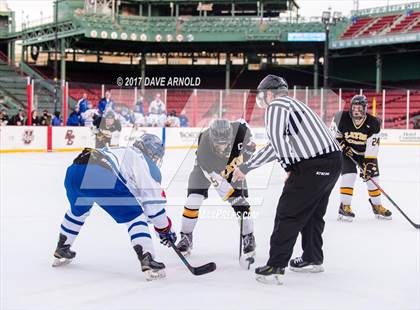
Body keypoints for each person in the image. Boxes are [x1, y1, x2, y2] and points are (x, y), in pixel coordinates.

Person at [232, 75, 342, 285]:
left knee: (288, 213)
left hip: (313, 165)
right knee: (311, 214)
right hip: (332, 162)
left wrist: (290, 167)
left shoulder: (276, 107)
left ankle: (276, 266)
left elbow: (277, 141)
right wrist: (247, 166)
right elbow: (276, 146)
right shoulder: (295, 105)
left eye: (263, 95)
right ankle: (312, 258)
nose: (262, 100)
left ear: (271, 94)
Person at [52, 134, 176, 280]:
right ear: (151, 152)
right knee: (135, 216)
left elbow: (137, 198)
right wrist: (165, 230)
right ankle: (147, 258)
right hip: (99, 173)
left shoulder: (125, 151)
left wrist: (157, 224)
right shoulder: (144, 162)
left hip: (75, 170)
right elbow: (153, 207)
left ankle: (62, 248)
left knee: (78, 211)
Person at [176, 118, 257, 263]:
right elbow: (216, 180)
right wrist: (232, 196)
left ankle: (248, 236)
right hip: (206, 170)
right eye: (218, 144)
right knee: (193, 200)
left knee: (242, 206)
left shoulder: (240, 130)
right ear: (211, 138)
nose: (221, 147)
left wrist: (248, 150)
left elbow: (249, 139)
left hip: (231, 167)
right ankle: (186, 236)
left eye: (224, 143)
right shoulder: (204, 147)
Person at [331, 95, 392, 221]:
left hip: (366, 155)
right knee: (349, 176)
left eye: (359, 108)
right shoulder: (340, 118)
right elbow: (334, 136)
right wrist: (343, 146)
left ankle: (377, 206)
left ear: (365, 108)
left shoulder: (374, 122)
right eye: (354, 107)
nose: (356, 110)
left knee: (373, 178)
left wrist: (369, 166)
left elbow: (372, 147)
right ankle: (344, 206)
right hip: (348, 153)